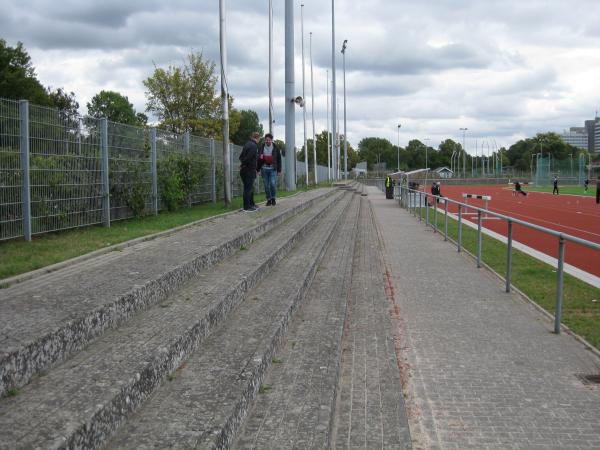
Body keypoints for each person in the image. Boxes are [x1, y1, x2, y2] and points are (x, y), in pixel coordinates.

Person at [257, 133, 282, 206]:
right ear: (265, 140)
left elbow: (279, 159)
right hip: (264, 169)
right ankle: (268, 199)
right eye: (266, 140)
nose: (267, 141)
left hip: (273, 169)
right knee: (266, 185)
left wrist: (279, 170)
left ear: (271, 140)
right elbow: (259, 159)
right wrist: (257, 169)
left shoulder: (275, 147)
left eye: (269, 140)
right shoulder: (261, 147)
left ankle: (273, 198)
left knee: (272, 184)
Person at [239, 132, 260, 212]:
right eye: (259, 139)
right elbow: (248, 158)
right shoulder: (254, 146)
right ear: (257, 138)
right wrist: (244, 164)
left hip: (244, 170)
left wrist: (242, 164)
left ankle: (251, 204)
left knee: (249, 187)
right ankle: (247, 207)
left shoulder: (247, 144)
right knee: (248, 188)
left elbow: (241, 157)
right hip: (249, 170)